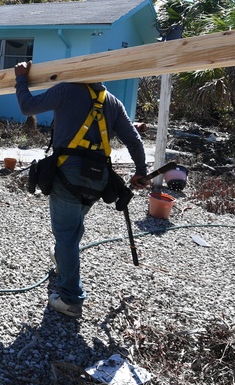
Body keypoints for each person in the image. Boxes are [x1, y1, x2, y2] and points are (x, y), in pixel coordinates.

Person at [14, 60, 149, 318]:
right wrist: (141, 171)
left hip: (68, 174)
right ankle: (62, 262)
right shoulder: (112, 102)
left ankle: (71, 298)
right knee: (72, 228)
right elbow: (134, 139)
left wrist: (21, 78)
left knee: (66, 233)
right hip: (98, 179)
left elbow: (26, 107)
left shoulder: (67, 90)